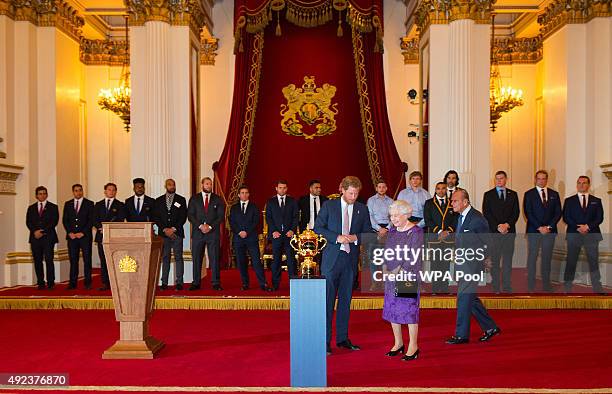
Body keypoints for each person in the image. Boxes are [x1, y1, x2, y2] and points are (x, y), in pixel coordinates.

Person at [314, 176, 373, 355]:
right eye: (350, 193)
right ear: (342, 190)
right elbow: (318, 228)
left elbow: (368, 233)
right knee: (327, 302)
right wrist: (336, 237)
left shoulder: (362, 209)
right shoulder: (329, 206)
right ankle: (324, 342)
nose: (353, 197)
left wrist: (356, 238)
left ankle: (342, 339)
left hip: (350, 261)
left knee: (345, 302)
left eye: (356, 193)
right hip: (331, 260)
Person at [446, 188, 500, 344]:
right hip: (463, 264)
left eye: (455, 201)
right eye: (452, 200)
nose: (452, 203)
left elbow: (488, 243)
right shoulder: (461, 217)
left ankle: (461, 335)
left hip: (473, 266)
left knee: (463, 298)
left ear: (465, 202)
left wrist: (484, 260)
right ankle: (491, 327)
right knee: (471, 299)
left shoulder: (477, 219)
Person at [381, 200, 423, 361]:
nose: (393, 219)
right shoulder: (392, 230)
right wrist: (387, 268)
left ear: (406, 215)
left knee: (409, 310)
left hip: (407, 275)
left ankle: (413, 345)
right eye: (391, 216)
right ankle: (398, 343)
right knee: (392, 308)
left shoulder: (416, 232)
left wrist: (399, 271)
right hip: (392, 275)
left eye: (396, 215)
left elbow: (414, 255)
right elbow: (388, 251)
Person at [562, 176, 605, 294]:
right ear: (577, 184)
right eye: (579, 183)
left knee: (593, 261)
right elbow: (566, 217)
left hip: (591, 234)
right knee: (571, 260)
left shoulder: (597, 200)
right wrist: (579, 227)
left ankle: (597, 287)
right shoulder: (569, 200)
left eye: (584, 183)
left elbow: (599, 218)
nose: (581, 185)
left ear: (588, 185)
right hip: (574, 235)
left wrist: (588, 227)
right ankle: (567, 286)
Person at [523, 170, 561, 292]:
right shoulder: (529, 194)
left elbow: (558, 212)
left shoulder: (554, 194)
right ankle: (530, 284)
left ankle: (546, 284)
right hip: (534, 230)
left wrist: (549, 227)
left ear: (547, 180)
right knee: (532, 257)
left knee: (547, 258)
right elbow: (528, 212)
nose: (541, 181)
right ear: (535, 179)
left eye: (544, 178)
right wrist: (539, 227)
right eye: (539, 178)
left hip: (550, 231)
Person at [482, 171, 520, 293]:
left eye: (501, 178)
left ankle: (507, 286)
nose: (499, 180)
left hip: (509, 232)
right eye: (497, 178)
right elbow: (487, 213)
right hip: (494, 232)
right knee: (495, 260)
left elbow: (516, 213)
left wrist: (507, 225)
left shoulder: (513, 194)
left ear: (506, 179)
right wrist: (498, 226)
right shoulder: (488, 195)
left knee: (508, 260)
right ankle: (496, 285)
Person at [229, 185, 270, 291]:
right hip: (238, 239)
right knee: (241, 262)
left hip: (251, 238)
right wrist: (239, 232)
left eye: (246, 192)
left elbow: (256, 221)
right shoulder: (234, 208)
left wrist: (246, 232)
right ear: (238, 195)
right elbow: (232, 223)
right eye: (242, 193)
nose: (244, 194)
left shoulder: (254, 207)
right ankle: (245, 283)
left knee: (256, 262)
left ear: (249, 194)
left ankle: (263, 283)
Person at [187, 177, 225, 291]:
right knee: (197, 258)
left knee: (214, 258)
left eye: (210, 184)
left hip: (213, 234)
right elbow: (190, 215)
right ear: (202, 184)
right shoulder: (194, 199)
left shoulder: (217, 199)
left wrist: (209, 226)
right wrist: (200, 226)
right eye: (207, 184)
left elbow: (220, 216)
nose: (209, 186)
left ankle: (215, 282)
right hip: (198, 233)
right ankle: (196, 282)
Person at [423, 181, 457, 294]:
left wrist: (448, 231)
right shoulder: (429, 203)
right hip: (434, 238)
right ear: (435, 190)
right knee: (435, 264)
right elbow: (428, 220)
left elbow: (456, 219)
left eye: (443, 188)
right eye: (438, 188)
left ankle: (445, 288)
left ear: (446, 189)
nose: (441, 190)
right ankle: (435, 288)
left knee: (445, 264)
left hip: (448, 238)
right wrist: (439, 231)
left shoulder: (452, 203)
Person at [154, 179, 188, 290]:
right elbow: (156, 217)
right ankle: (164, 282)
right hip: (163, 234)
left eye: (173, 184)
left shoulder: (181, 200)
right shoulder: (158, 200)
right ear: (165, 186)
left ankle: (179, 282)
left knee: (178, 257)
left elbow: (183, 216)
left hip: (177, 233)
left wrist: (173, 229)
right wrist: (165, 229)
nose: (172, 186)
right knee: (165, 257)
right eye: (169, 184)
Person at [265, 180, 299, 290]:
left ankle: (293, 285)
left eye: (284, 187)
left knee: (291, 260)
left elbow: (295, 217)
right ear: (276, 188)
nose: (282, 190)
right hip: (276, 235)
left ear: (287, 188)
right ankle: (275, 284)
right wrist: (273, 231)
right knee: (276, 261)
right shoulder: (271, 201)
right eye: (280, 187)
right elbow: (268, 218)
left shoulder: (292, 201)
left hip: (289, 235)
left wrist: (292, 230)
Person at [94, 183, 126, 291]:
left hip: (114, 236)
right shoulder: (98, 205)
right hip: (101, 236)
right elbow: (94, 219)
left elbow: (120, 220)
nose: (111, 192)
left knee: (114, 259)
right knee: (103, 260)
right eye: (109, 189)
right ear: (105, 191)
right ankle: (105, 282)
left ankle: (115, 282)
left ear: (116, 192)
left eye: (113, 190)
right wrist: (101, 228)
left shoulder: (120, 205)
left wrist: (108, 229)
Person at [62, 184, 95, 290]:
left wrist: (83, 232)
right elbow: (65, 220)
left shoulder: (89, 204)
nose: (78, 192)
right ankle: (72, 283)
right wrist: (70, 232)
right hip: (72, 238)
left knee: (87, 260)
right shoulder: (68, 204)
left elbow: (91, 220)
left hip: (84, 237)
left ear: (82, 191)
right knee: (73, 260)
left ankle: (88, 282)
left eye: (80, 190)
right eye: (76, 190)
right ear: (73, 192)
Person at [26, 186, 59, 290]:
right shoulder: (31, 208)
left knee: (49, 260)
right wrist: (35, 231)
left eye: (44, 193)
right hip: (35, 238)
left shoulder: (53, 207)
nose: (42, 195)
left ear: (47, 194)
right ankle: (40, 282)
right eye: (40, 193)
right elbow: (28, 222)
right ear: (36, 195)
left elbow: (54, 222)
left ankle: (50, 282)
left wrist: (42, 231)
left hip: (48, 237)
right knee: (37, 260)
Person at [366, 180, 393, 291]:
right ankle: (374, 282)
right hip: (374, 230)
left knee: (386, 258)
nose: (381, 189)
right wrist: (379, 229)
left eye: (383, 187)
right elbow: (370, 216)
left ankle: (384, 282)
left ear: (386, 188)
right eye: (379, 187)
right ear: (376, 188)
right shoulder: (371, 200)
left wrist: (386, 228)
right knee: (373, 257)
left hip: (388, 230)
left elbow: (393, 216)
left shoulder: (391, 201)